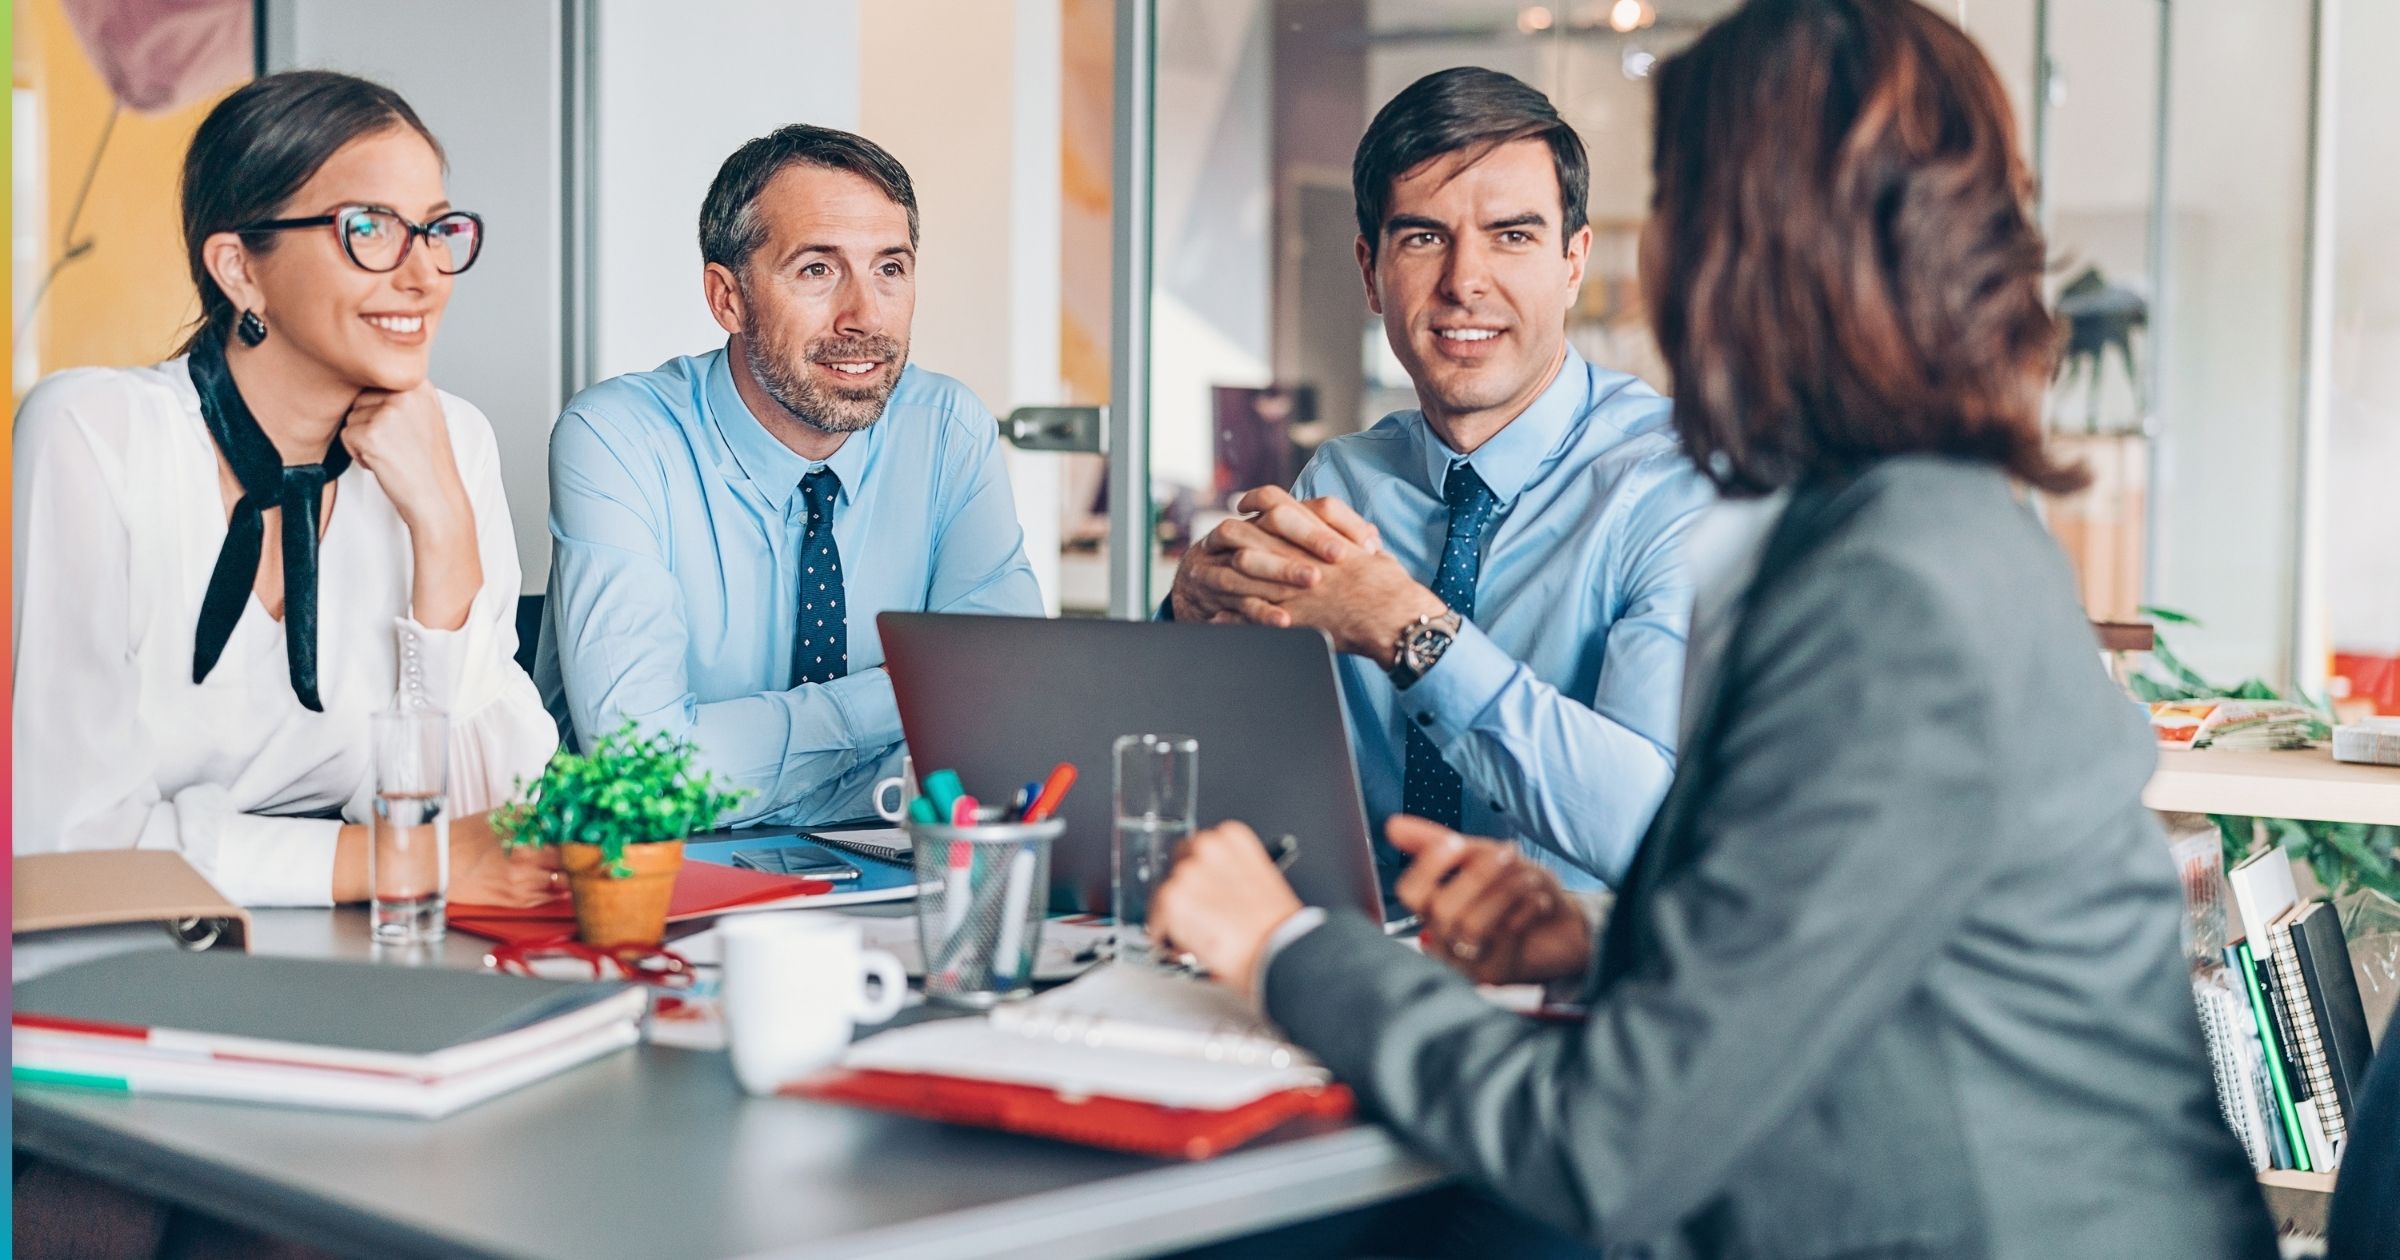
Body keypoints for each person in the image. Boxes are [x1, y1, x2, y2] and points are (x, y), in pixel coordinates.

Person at [1150, 3, 2279, 1256]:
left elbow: (1606, 1145)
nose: (1661, 261)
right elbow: (1833, 931)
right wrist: (1599, 939)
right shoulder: (1893, 526)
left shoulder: (1894, 590)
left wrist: (1286, 949)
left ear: (1762, 246)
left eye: (1682, 203)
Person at [12, 70, 561, 911]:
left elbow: (494, 829)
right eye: (369, 228)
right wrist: (384, 860)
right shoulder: (95, 432)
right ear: (239, 268)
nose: (424, 274)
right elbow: (70, 840)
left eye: (435, 230)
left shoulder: (451, 440)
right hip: (129, 950)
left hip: (377, 950)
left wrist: (445, 534)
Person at [1164, 68, 1710, 889]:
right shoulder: (1342, 482)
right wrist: (1187, 620)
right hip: (1350, 940)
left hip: (1570, 957)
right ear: (1369, 271)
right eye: (1423, 237)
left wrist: (1407, 628)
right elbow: (1226, 768)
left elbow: (1654, 831)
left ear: (1573, 262)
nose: (1464, 282)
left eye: (1512, 236)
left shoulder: (1675, 487)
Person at [537, 125, 1043, 828]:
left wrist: (728, 754)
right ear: (728, 298)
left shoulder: (946, 430)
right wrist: (907, 696)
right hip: (656, 875)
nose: (865, 316)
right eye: (817, 270)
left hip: (893, 869)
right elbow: (642, 775)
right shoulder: (619, 439)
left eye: (890, 268)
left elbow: (1008, 721)